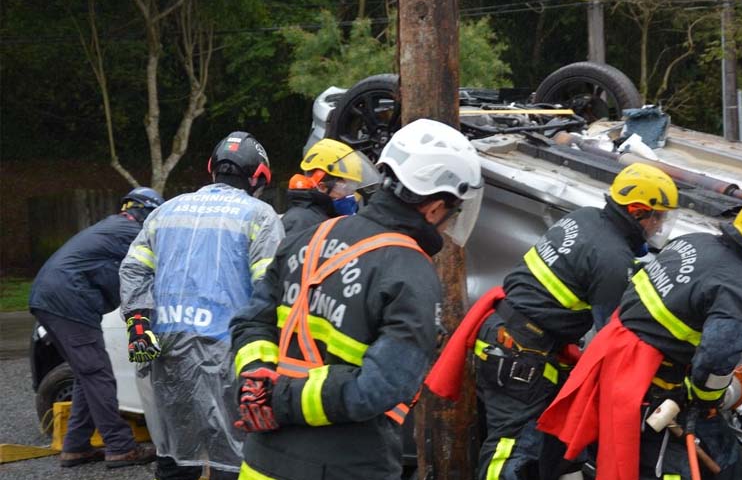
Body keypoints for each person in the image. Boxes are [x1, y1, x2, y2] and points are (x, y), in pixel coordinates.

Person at [228, 118, 484, 480]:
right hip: (347, 464)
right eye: (453, 211)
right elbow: (377, 389)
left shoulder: (309, 237)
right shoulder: (410, 271)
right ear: (434, 207)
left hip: (262, 460)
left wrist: (257, 381)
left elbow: (251, 322)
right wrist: (280, 399)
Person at [425, 163, 679, 479]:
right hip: (521, 354)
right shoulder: (614, 259)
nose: (659, 226)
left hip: (503, 335)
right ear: (639, 212)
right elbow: (612, 335)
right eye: (659, 217)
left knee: (530, 444)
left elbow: (581, 269)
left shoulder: (585, 217)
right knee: (512, 449)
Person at [536, 195, 742, 480]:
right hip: (651, 389)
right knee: (724, 460)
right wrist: (706, 400)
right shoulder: (736, 287)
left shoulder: (691, 242)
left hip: (614, 363)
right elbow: (718, 356)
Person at [119, 132, 284, 480]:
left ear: (212, 169)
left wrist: (138, 324)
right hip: (229, 348)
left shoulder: (166, 211)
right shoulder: (260, 215)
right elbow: (270, 286)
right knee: (236, 455)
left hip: (167, 345)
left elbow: (134, 268)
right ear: (258, 177)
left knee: (178, 452)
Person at [29, 187, 163, 469]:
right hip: (68, 301)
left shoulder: (114, 227)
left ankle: (75, 447)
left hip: (53, 298)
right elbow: (161, 264)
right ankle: (120, 447)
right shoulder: (132, 232)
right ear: (148, 213)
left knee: (87, 375)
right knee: (99, 375)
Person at [283, 138, 380, 235]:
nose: (353, 194)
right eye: (347, 187)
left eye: (354, 187)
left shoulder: (326, 217)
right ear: (322, 187)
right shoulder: (301, 223)